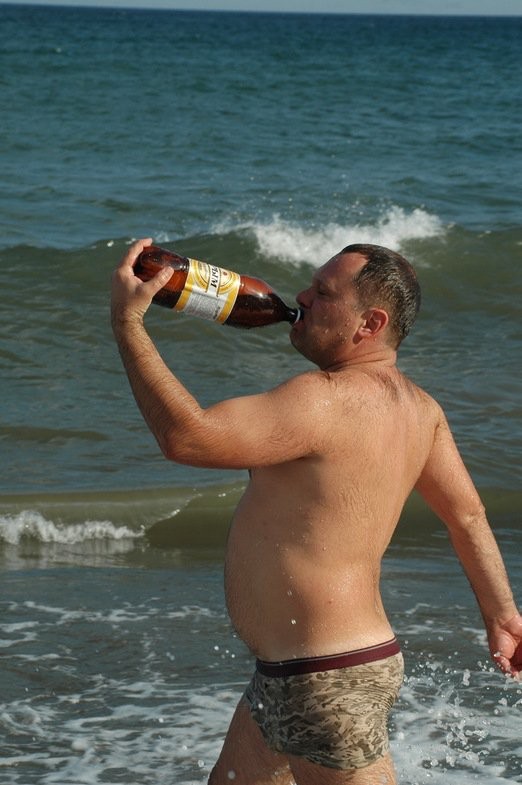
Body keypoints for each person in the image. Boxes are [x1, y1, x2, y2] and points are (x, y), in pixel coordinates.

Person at [111, 238, 521, 785]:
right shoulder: (422, 411)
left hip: (327, 681)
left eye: (323, 293)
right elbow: (466, 518)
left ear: (369, 323)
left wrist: (128, 325)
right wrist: (502, 617)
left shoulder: (322, 398)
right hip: (292, 676)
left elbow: (188, 437)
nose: (301, 296)